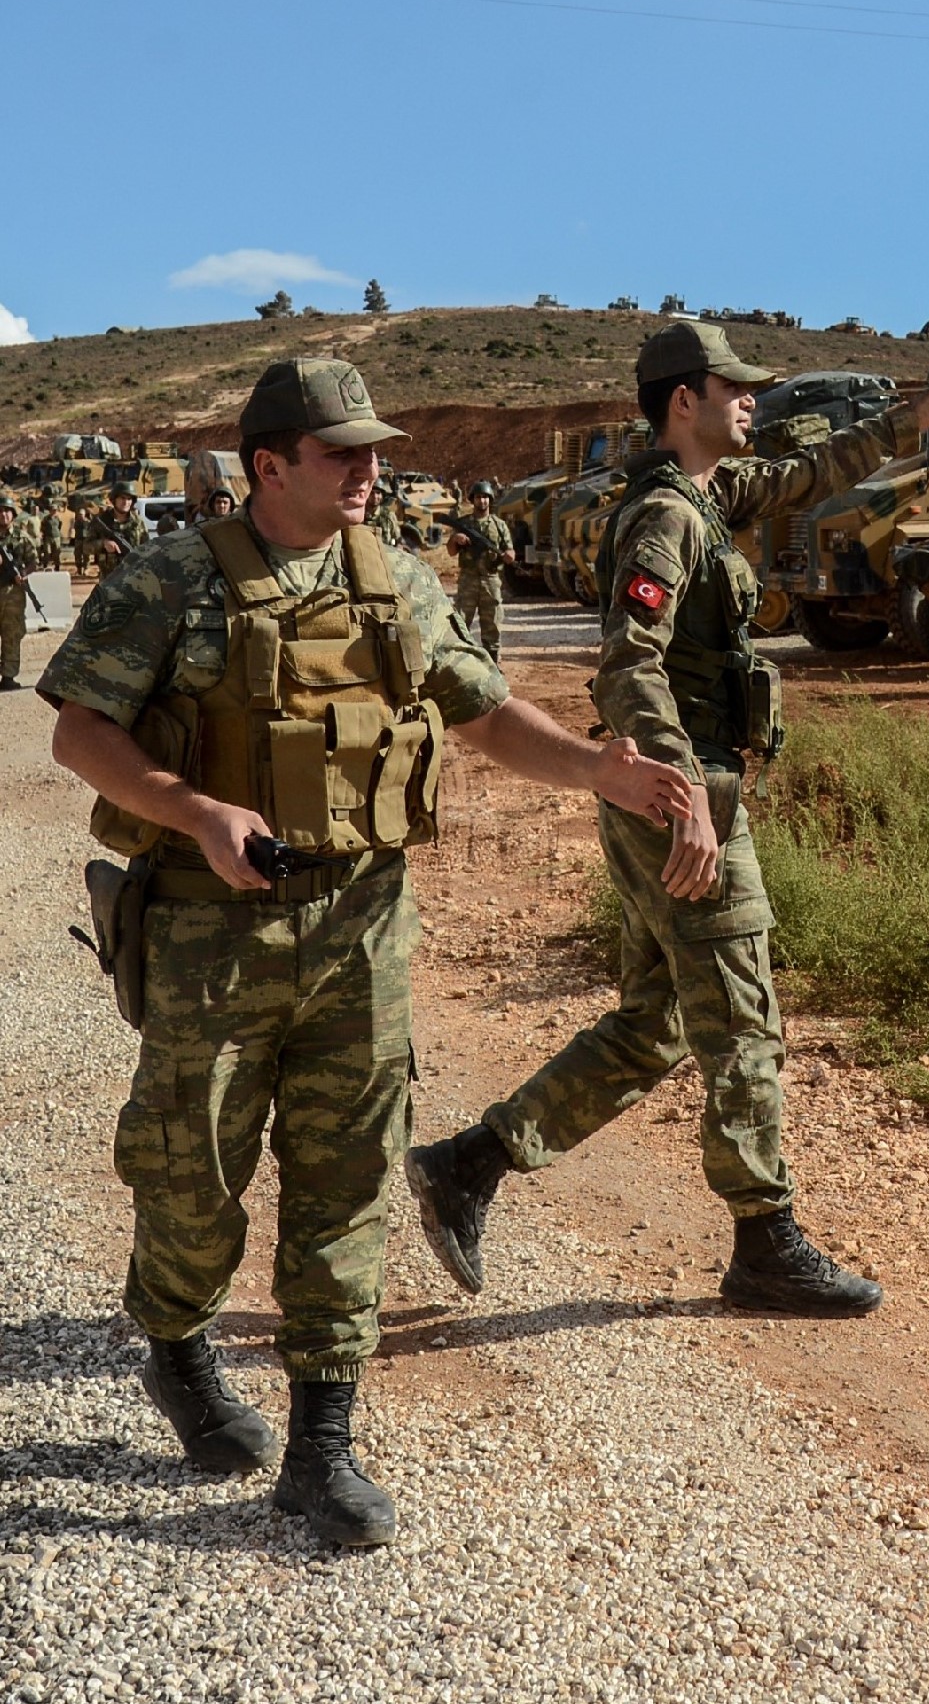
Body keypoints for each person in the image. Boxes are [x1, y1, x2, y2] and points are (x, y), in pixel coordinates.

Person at [41, 358, 696, 1548]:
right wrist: (196, 811)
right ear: (270, 465)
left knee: (348, 1177)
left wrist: (599, 767)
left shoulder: (400, 580)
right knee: (191, 1181)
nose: (370, 468)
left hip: (362, 928)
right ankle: (179, 1353)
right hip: (208, 932)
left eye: (374, 448)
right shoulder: (172, 579)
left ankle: (321, 1446)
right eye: (342, 451)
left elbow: (482, 709)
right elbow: (80, 730)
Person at [406, 315, 929, 1316]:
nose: (752, 401)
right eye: (732, 388)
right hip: (679, 798)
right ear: (680, 402)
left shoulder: (705, 492)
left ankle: (471, 1163)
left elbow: (816, 469)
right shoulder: (666, 518)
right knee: (742, 1019)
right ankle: (765, 1240)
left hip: (672, 793)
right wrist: (684, 796)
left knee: (656, 1025)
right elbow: (627, 660)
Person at [446, 481, 512, 657]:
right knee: (460, 621)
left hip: (491, 580)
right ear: (473, 500)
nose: (482, 501)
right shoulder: (464, 524)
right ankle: (459, 659)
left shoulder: (499, 525)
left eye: (485, 497)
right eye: (478, 497)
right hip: (468, 579)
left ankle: (493, 661)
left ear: (490, 500)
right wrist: (455, 539)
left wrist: (509, 556)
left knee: (492, 622)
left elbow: (510, 550)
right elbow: (451, 552)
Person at [0, 499, 37, 691]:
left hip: (13, 593)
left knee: (12, 634)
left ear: (13, 515)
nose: (4, 515)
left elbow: (33, 561)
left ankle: (8, 676)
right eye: (1, 511)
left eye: (8, 511)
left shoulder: (22, 537)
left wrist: (23, 574)